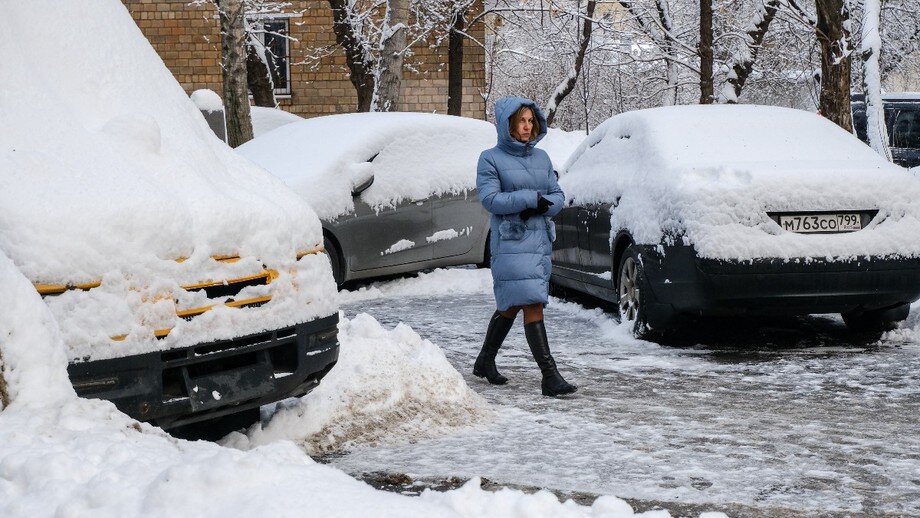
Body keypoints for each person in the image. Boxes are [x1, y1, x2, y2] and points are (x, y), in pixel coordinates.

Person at [472, 96, 577, 397]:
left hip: (539, 240)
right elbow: (490, 199)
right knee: (531, 301)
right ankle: (550, 375)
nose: (528, 127)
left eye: (531, 121)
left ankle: (484, 360)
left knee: (512, 303)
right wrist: (530, 199)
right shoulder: (490, 158)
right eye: (522, 121)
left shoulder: (542, 158)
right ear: (509, 124)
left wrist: (546, 205)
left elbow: (557, 194)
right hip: (511, 240)